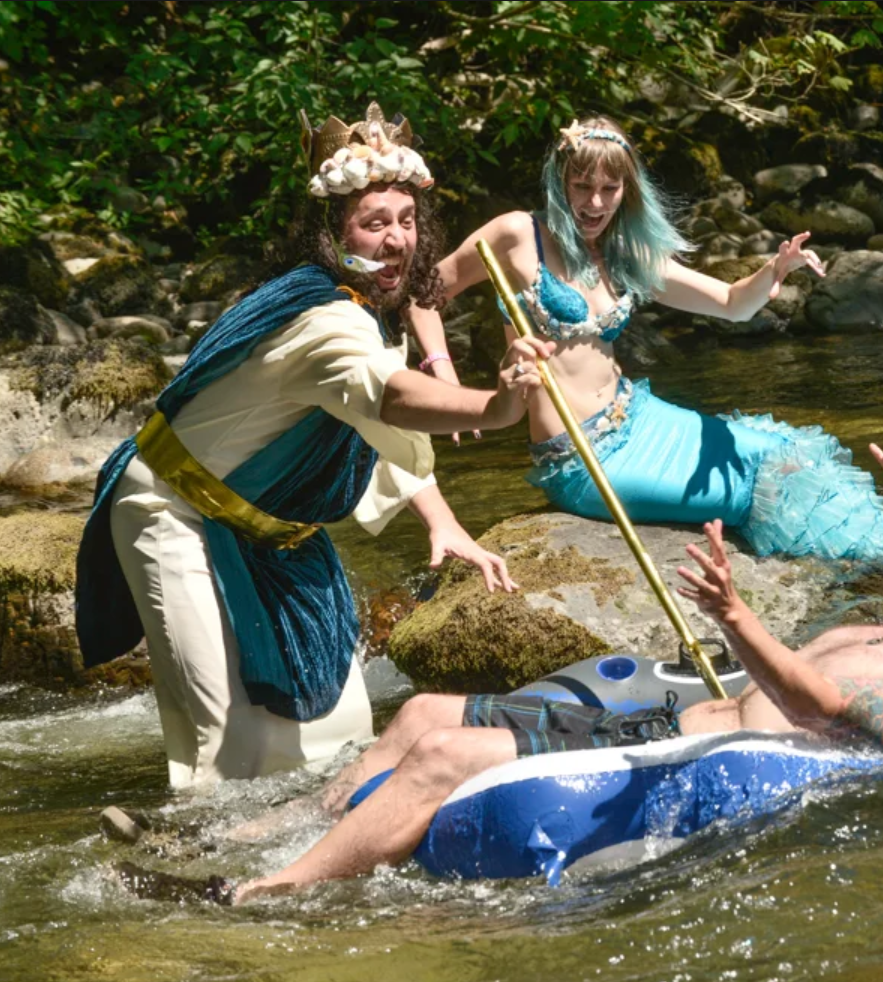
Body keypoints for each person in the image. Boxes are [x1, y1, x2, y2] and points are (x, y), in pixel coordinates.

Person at [173, 415, 883, 903]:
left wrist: (735, 616)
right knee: (418, 713)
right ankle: (250, 829)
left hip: (671, 743)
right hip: (656, 711)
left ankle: (269, 889)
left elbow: (823, 707)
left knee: (445, 757)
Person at [76, 103, 553, 790]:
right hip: (170, 509)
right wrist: (498, 405)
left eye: (408, 221)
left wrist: (443, 522)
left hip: (272, 530)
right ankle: (195, 866)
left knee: (339, 725)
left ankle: (320, 840)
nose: (398, 240)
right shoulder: (326, 321)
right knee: (224, 725)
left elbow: (368, 426)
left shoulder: (353, 310)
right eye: (375, 223)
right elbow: (390, 399)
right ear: (333, 234)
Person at [406, 115, 883, 564]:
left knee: (784, 457)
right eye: (581, 185)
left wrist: (775, 268)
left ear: (626, 189)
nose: (594, 202)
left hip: (638, 417)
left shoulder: (625, 250)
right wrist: (442, 372)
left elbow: (730, 303)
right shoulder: (518, 234)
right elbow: (423, 293)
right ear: (560, 182)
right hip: (581, 459)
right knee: (751, 491)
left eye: (609, 188)